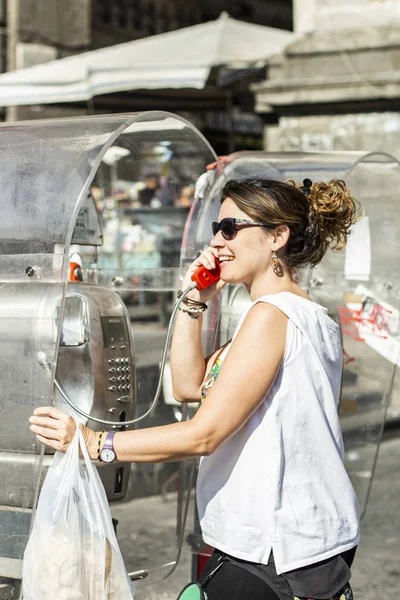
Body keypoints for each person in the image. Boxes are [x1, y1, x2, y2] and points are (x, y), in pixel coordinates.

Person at [29, 176, 360, 600]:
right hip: (284, 544)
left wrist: (95, 443)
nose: (218, 243)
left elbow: (204, 433)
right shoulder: (295, 313)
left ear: (277, 236)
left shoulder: (272, 316)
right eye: (215, 231)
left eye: (230, 229)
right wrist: (195, 298)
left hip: (279, 551)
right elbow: (189, 386)